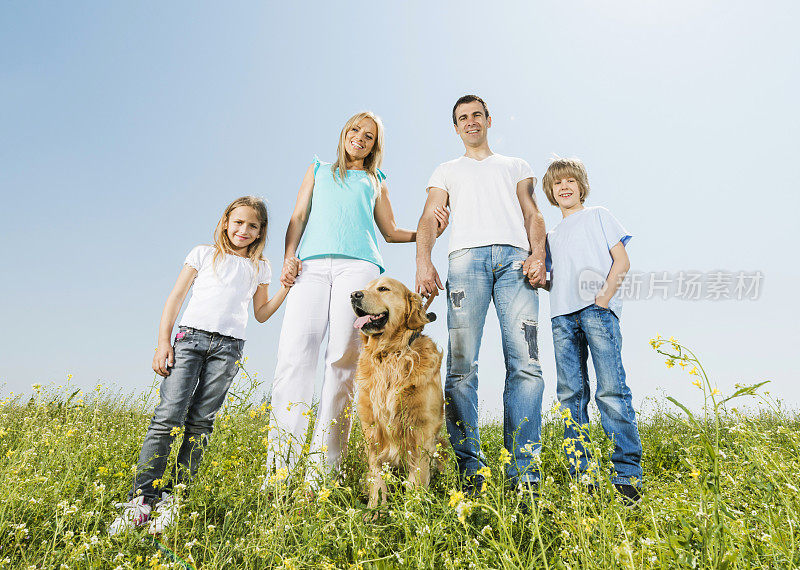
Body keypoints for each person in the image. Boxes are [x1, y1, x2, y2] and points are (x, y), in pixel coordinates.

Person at [267, 111, 448, 482]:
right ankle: (279, 470)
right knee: (294, 355)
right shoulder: (317, 170)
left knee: (343, 362)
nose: (360, 138)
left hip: (360, 269)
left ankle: (324, 474)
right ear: (344, 133)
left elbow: (392, 231)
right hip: (311, 268)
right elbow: (298, 217)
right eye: (355, 130)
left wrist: (429, 232)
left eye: (369, 136)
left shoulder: (375, 180)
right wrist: (289, 256)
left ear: (375, 145)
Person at [110, 196, 291, 535]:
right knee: (167, 417)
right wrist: (164, 342)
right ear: (226, 222)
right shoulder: (203, 254)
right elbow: (175, 298)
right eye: (238, 222)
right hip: (190, 340)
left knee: (200, 424)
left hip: (228, 348)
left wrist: (285, 288)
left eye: (253, 226)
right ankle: (142, 499)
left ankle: (173, 500)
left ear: (260, 231)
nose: (244, 230)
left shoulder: (260, 267)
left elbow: (262, 314)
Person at [415, 95, 547, 493]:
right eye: (462, 118)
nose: (470, 122)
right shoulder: (446, 170)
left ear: (488, 120)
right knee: (461, 368)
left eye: (476, 115)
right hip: (465, 263)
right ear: (456, 128)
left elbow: (532, 213)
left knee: (526, 365)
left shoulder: (514, 166)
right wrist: (424, 261)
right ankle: (471, 473)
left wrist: (538, 253)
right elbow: (428, 217)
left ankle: (523, 478)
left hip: (515, 262)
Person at [542, 156, 643, 502]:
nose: (564, 187)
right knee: (571, 396)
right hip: (561, 318)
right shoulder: (550, 235)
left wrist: (604, 297)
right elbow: (549, 277)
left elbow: (622, 260)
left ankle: (627, 475)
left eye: (570, 181)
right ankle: (583, 478)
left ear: (581, 186)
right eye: (557, 183)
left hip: (597, 312)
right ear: (551, 193)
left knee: (611, 391)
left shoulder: (598, 215)